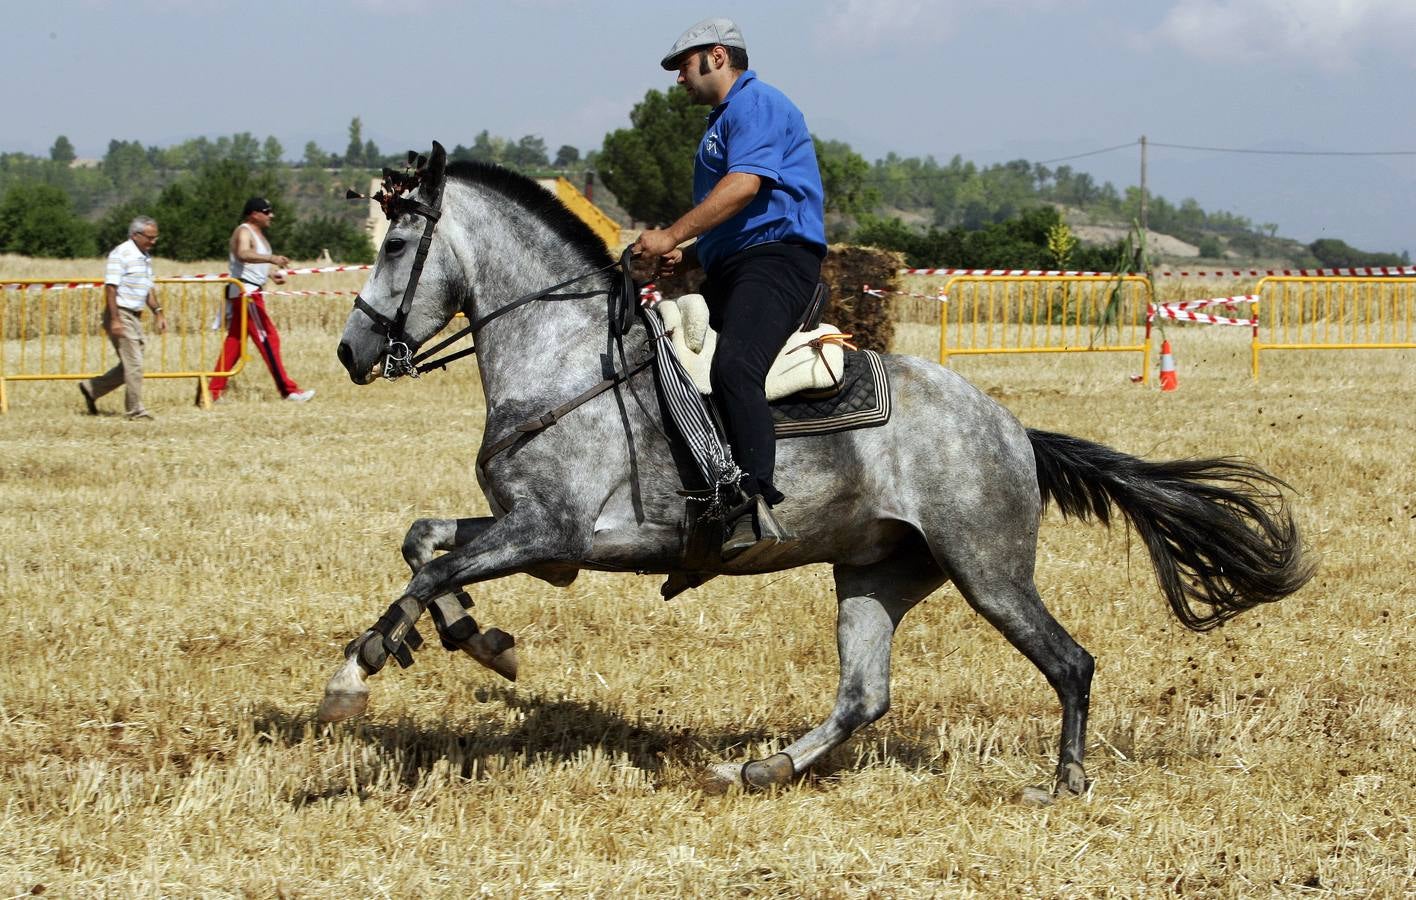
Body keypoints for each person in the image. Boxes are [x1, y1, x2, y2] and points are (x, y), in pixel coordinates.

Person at [632, 17, 827, 560]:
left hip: (777, 263)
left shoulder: (756, 103)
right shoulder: (726, 119)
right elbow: (738, 217)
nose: (678, 80)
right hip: (740, 264)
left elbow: (744, 187)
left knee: (735, 368)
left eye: (683, 66)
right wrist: (688, 253)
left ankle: (753, 502)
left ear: (716, 56)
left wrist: (672, 233)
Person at [205, 197, 315, 403]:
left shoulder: (258, 234)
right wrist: (271, 259)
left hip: (248, 291)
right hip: (246, 294)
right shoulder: (244, 230)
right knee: (269, 339)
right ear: (253, 213)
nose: (271, 215)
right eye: (266, 211)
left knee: (234, 344)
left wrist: (270, 274)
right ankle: (288, 390)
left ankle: (211, 392)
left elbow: (251, 266)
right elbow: (243, 254)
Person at [80, 216, 167, 419]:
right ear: (135, 235)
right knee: (134, 364)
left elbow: (147, 288)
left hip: (135, 315)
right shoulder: (121, 254)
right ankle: (135, 410)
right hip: (120, 312)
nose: (153, 242)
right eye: (150, 237)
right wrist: (115, 319)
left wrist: (158, 311)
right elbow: (111, 288)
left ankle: (92, 388)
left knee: (131, 363)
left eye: (156, 237)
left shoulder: (145, 256)